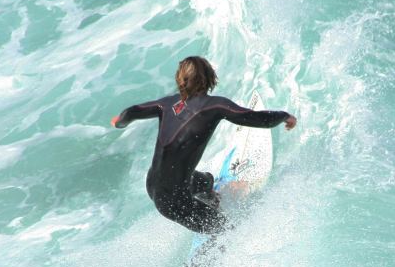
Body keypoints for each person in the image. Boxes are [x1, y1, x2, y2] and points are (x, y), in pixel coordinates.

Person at [111, 56, 297, 234]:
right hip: (173, 201)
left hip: (152, 184)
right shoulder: (214, 106)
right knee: (226, 232)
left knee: (206, 180)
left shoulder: (167, 104)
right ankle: (196, 266)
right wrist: (284, 116)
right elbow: (257, 119)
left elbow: (131, 112)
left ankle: (210, 203)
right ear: (210, 78)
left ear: (181, 79)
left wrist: (119, 122)